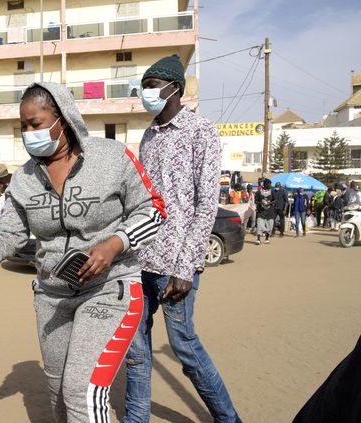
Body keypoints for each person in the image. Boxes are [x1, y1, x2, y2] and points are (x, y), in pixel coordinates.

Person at [0, 82, 166, 423]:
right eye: (23, 126)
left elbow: (154, 210)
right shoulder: (23, 179)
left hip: (110, 289)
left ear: (63, 119)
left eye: (35, 124)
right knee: (58, 397)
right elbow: (6, 240)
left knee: (82, 393)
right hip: (52, 298)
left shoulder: (112, 157)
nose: (28, 133)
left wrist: (115, 244)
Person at [122, 55, 241, 423]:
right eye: (143, 87)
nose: (146, 94)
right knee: (136, 350)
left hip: (175, 265)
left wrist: (186, 267)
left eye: (152, 86)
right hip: (140, 261)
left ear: (174, 88)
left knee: (185, 347)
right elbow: (144, 197)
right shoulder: (148, 134)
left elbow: (206, 204)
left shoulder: (200, 130)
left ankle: (228, 418)